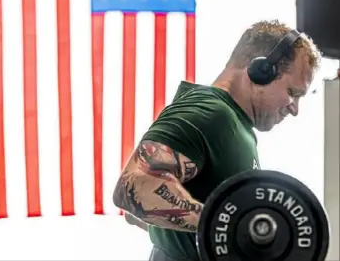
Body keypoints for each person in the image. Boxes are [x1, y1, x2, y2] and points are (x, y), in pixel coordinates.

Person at [112, 20, 322, 261]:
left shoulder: (236, 127)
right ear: (261, 70)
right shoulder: (210, 113)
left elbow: (140, 212)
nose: (294, 108)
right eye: (293, 93)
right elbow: (133, 187)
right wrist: (229, 224)